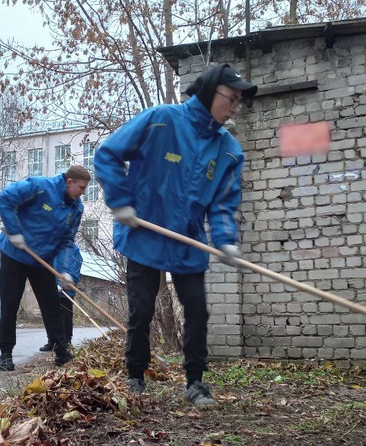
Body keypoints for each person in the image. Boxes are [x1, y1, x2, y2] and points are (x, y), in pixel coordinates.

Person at [93, 63, 257, 407]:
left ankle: (195, 383)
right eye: (233, 98)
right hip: (144, 234)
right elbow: (108, 154)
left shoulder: (228, 150)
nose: (236, 107)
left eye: (240, 101)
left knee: (198, 311)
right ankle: (136, 375)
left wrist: (225, 239)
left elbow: (223, 203)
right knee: (141, 310)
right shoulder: (161, 119)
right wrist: (120, 201)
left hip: (187, 241)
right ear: (211, 93)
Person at [0, 164, 90, 371]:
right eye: (81, 188)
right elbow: (5, 199)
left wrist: (65, 270)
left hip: (42, 260)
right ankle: (6, 354)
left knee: (51, 306)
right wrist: (14, 231)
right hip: (15, 253)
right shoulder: (40, 187)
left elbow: (67, 241)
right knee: (9, 304)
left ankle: (62, 352)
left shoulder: (76, 209)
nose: (83, 193)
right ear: (69, 182)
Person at [40, 243, 83, 352]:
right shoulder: (52, 245)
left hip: (66, 290)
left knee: (66, 316)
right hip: (51, 287)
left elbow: (75, 265)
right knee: (49, 316)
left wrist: (68, 281)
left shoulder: (72, 248)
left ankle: (66, 341)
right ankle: (52, 341)